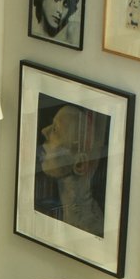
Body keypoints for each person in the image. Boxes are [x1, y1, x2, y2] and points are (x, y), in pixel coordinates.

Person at [32, 101, 109, 236]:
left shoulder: (91, 229)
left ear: (79, 164)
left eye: (55, 130)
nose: (44, 131)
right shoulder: (62, 213)